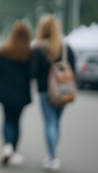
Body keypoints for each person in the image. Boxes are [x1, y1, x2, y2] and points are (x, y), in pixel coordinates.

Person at [30, 14, 75, 172]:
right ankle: (53, 154)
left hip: (45, 91)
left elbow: (33, 71)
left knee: (49, 122)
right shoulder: (65, 47)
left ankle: (53, 156)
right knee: (56, 122)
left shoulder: (38, 48)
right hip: (63, 91)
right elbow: (73, 68)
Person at [0, 21, 32, 166]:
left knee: (7, 120)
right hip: (21, 93)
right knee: (16, 121)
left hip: (5, 92)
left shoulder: (3, 51)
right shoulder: (28, 53)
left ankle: (7, 146)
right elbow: (32, 73)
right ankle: (13, 149)